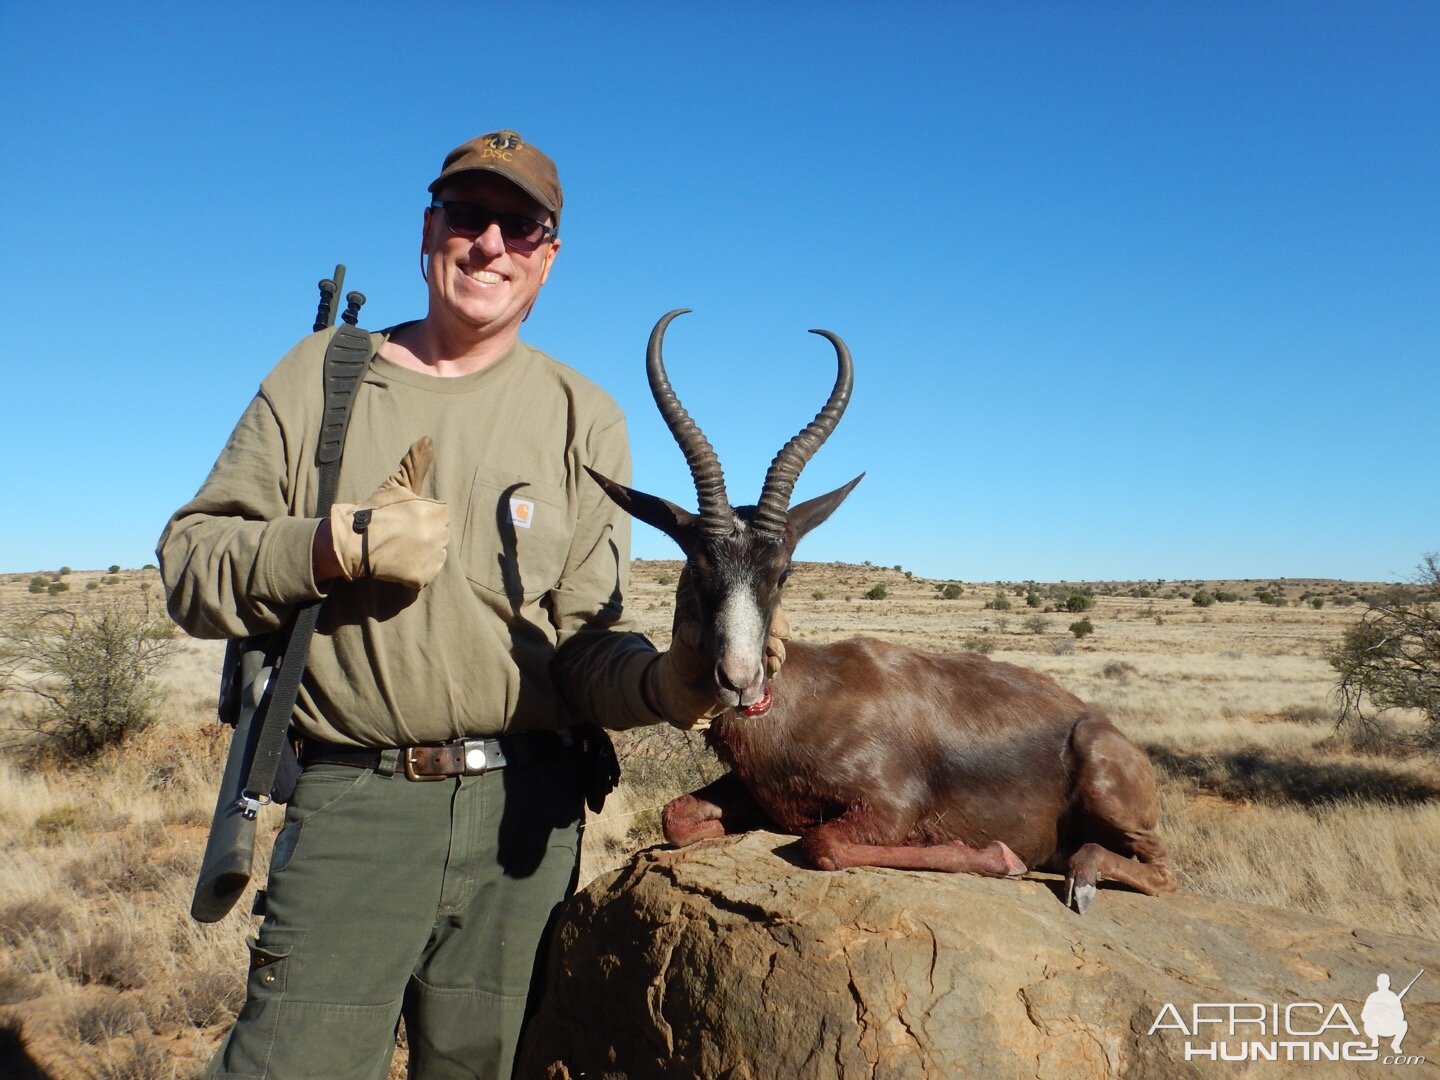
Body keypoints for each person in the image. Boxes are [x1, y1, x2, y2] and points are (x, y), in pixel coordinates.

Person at [159, 130, 779, 1080]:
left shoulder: (585, 416)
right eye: (468, 215)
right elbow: (189, 564)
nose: (490, 242)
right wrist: (335, 543)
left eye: (520, 226)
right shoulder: (322, 375)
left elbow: (582, 653)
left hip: (524, 820)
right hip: (353, 807)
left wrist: (668, 679)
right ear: (429, 227)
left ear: (548, 255)